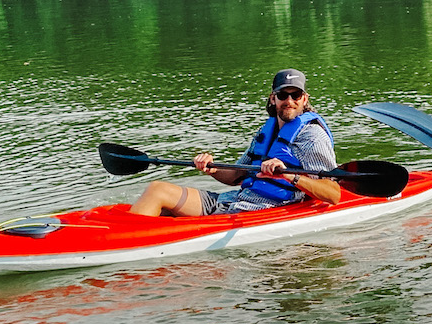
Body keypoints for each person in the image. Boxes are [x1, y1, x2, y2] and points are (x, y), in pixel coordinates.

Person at [129, 69, 340, 217]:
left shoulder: (312, 136)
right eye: (283, 95)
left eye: (296, 95)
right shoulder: (266, 132)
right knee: (157, 190)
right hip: (233, 200)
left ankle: (126, 245)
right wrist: (211, 167)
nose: (289, 101)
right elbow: (235, 176)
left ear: (304, 98)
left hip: (262, 211)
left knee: (164, 205)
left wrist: (289, 174)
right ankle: (128, 237)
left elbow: (333, 194)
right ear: (273, 98)